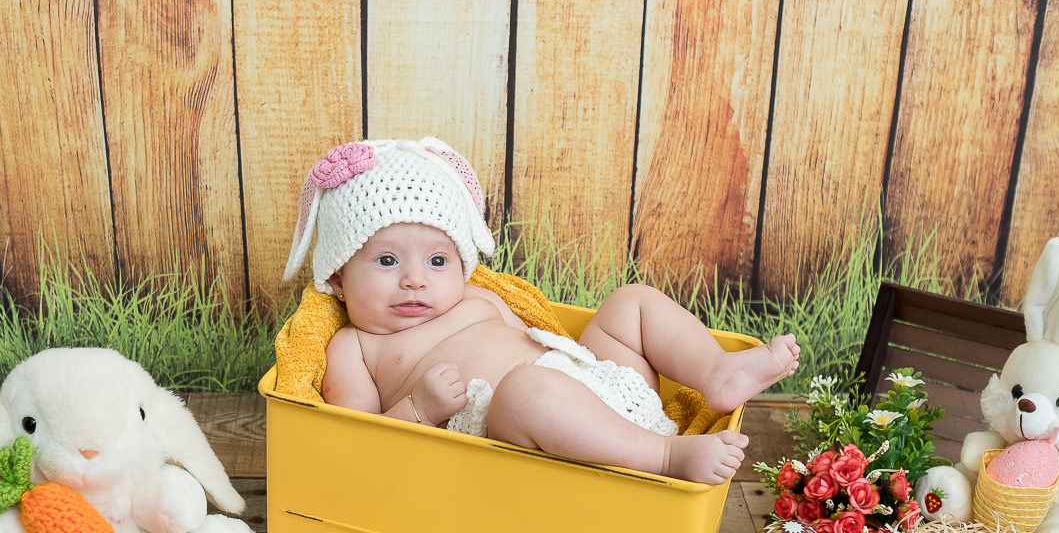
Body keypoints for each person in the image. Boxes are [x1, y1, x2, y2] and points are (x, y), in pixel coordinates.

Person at [282, 138, 799, 485]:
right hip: (537, 438)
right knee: (526, 388)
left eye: (438, 260)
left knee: (629, 303)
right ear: (337, 278)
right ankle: (666, 458)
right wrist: (418, 408)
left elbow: (545, 338)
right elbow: (356, 449)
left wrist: (589, 364)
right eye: (387, 260)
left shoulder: (476, 297)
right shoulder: (353, 347)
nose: (415, 278)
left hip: (599, 390)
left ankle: (716, 372)